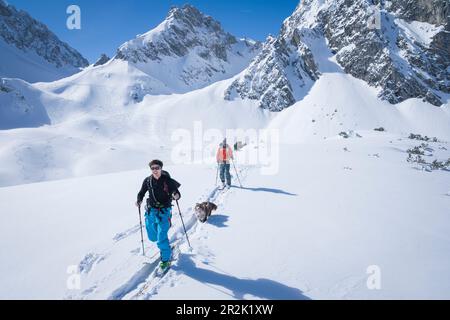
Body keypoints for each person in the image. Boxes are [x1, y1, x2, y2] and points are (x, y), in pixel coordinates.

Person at [136, 160, 181, 270]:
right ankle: (164, 246)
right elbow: (141, 192)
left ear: (161, 168)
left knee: (161, 237)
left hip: (164, 212)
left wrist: (176, 195)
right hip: (151, 211)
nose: (155, 170)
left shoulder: (167, 180)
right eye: (153, 168)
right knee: (152, 237)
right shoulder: (147, 181)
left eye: (157, 168)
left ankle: (165, 259)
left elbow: (177, 193)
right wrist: (139, 200)